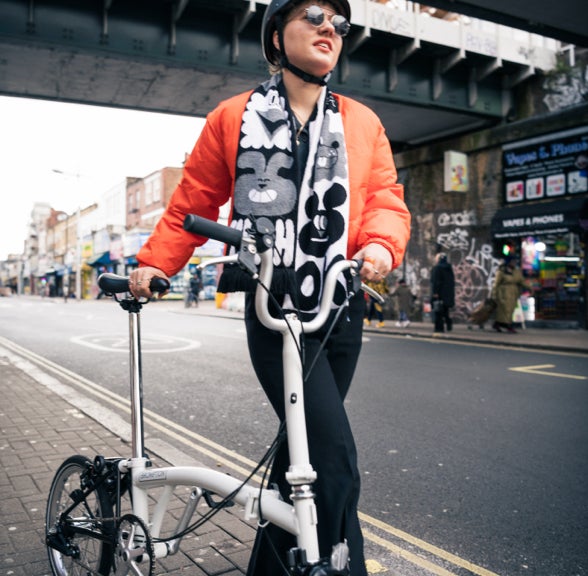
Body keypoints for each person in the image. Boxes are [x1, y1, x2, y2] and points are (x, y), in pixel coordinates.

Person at [128, 0, 411, 571]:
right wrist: (156, 264)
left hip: (340, 308)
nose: (330, 28)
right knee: (332, 461)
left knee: (297, 460)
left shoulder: (362, 122)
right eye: (314, 17)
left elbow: (384, 197)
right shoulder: (233, 116)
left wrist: (380, 244)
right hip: (273, 306)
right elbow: (194, 201)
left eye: (339, 22)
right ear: (276, 39)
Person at [491, 256, 525, 333]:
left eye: (515, 262)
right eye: (512, 261)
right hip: (503, 293)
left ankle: (498, 324)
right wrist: (494, 294)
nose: (514, 263)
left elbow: (522, 281)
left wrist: (529, 288)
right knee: (505, 310)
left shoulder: (516, 271)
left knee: (510, 310)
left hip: (513, 293)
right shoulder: (502, 271)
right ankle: (508, 325)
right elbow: (496, 284)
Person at [430, 252, 455, 334]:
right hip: (448, 294)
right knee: (445, 310)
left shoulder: (437, 268)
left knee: (438, 311)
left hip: (439, 293)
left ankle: (439, 328)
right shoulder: (449, 268)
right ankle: (448, 324)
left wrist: (435, 292)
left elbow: (435, 282)